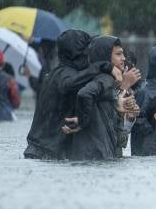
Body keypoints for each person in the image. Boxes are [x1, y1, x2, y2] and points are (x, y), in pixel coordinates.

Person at [24, 29, 105, 160]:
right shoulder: (67, 75)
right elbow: (67, 84)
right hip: (49, 154)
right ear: (79, 53)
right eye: (87, 50)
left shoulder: (54, 74)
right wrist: (99, 68)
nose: (90, 55)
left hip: (38, 150)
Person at [67, 35, 130, 161]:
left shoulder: (107, 80)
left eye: (123, 54)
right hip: (95, 156)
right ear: (105, 56)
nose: (124, 58)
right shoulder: (105, 79)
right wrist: (82, 122)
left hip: (96, 155)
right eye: (118, 54)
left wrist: (119, 111)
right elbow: (84, 94)